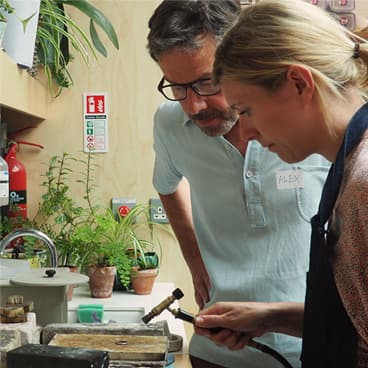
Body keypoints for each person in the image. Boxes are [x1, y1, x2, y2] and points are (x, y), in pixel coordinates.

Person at [147, 1, 329, 367]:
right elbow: (166, 185)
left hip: (309, 347)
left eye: (206, 82)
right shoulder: (170, 125)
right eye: (178, 87)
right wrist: (193, 255)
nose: (194, 106)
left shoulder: (304, 117)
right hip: (216, 350)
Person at [194, 1, 368, 367]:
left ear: (299, 83)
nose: (246, 132)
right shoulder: (348, 169)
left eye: (246, 110)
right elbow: (355, 323)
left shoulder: (364, 185)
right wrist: (272, 318)